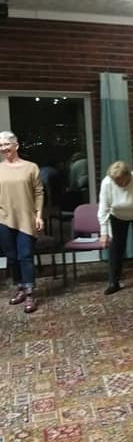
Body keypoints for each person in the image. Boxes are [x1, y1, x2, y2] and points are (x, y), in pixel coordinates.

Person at [0, 130, 44, 313]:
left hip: (27, 218)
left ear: (16, 145)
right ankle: (20, 288)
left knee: (25, 256)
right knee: (12, 257)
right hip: (4, 219)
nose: (3, 148)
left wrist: (39, 216)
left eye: (6, 144)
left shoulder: (31, 167)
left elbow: (39, 193)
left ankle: (30, 293)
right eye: (0, 145)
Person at [97, 161, 133, 295]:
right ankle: (113, 282)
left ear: (127, 177)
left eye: (119, 180)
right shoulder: (107, 183)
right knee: (116, 248)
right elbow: (103, 208)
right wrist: (104, 232)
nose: (116, 183)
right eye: (114, 180)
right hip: (117, 216)